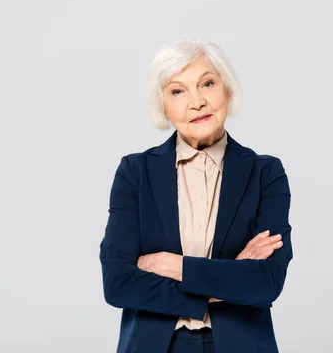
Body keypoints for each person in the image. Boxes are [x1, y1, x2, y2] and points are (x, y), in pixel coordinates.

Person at [99, 38, 293, 353]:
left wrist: (171, 264)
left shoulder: (266, 173)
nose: (196, 101)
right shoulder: (135, 172)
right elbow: (118, 284)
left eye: (207, 84)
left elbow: (265, 283)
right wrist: (229, 277)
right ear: (162, 104)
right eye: (177, 91)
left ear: (227, 90)